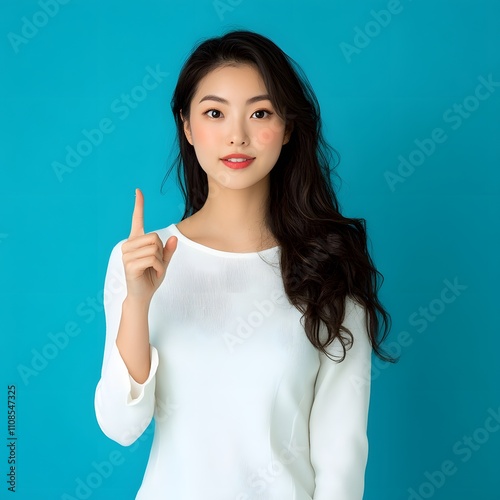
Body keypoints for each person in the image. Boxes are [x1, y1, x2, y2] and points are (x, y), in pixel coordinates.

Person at [94, 29, 396, 500]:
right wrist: (138, 302)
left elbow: (341, 457)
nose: (237, 135)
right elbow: (121, 425)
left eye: (260, 113)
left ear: (288, 127)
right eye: (215, 113)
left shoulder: (328, 267)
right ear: (187, 126)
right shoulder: (138, 261)